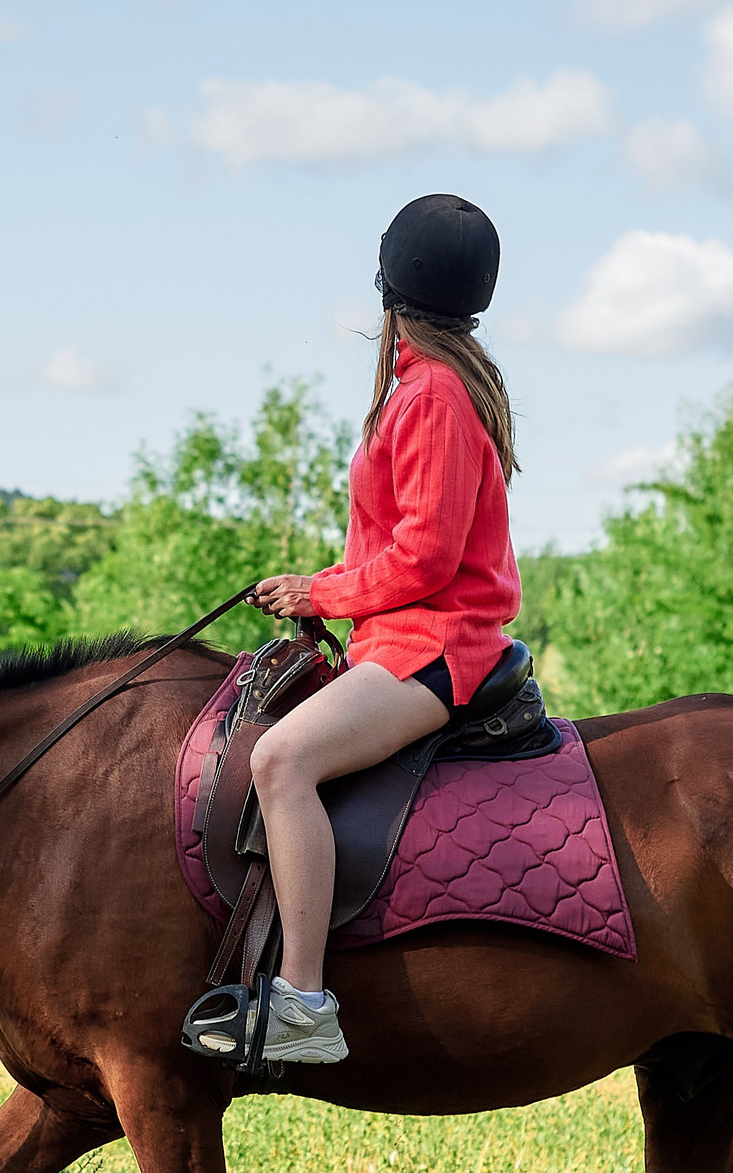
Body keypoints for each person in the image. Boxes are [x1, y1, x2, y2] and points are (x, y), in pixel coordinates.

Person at [245, 193, 522, 1065]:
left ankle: (302, 1003)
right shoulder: (430, 385)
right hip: (400, 637)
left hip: (434, 645)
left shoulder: (433, 395)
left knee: (280, 761)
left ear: (389, 288)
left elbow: (427, 558)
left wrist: (317, 591)